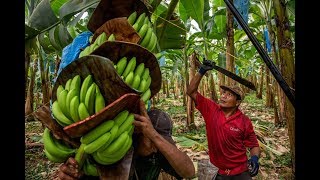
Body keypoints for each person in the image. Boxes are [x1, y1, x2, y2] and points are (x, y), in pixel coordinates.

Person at [58, 100, 195, 180]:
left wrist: (154, 136)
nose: (155, 147)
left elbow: (189, 172)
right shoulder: (116, 151)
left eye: (160, 141)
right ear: (139, 132)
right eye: (151, 141)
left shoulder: (158, 152)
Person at [186, 59, 260, 180]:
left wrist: (255, 159)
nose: (223, 96)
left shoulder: (244, 121)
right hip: (216, 171)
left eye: (229, 94)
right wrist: (201, 71)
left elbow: (253, 145)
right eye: (223, 92)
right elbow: (191, 91)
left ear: (238, 102)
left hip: (240, 171)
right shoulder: (211, 109)